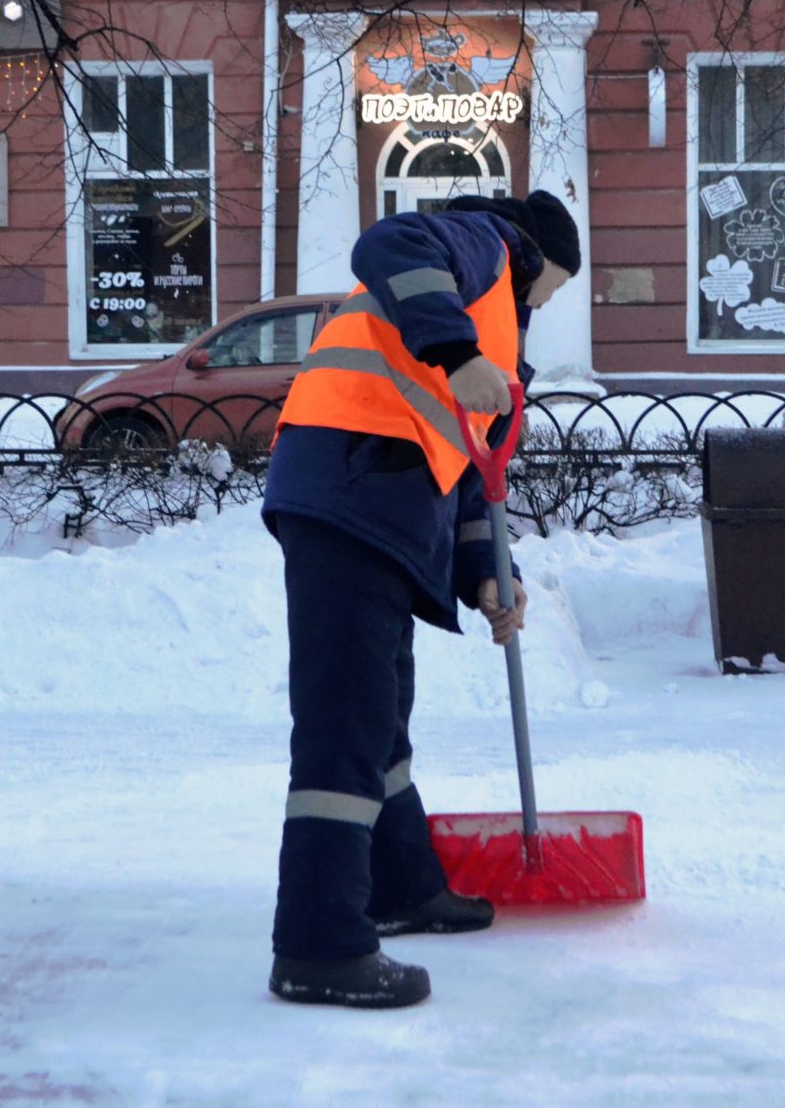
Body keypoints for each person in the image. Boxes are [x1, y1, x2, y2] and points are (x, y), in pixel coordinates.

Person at [261, 189, 581, 1009]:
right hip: (345, 484)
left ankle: (401, 885)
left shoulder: (495, 334)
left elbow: (470, 473)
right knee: (346, 718)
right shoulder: (483, 245)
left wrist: (485, 576)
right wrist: (456, 349)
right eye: (555, 285)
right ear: (538, 260)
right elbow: (389, 240)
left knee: (380, 707)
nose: (549, 303)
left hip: (375, 497)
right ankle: (318, 942)